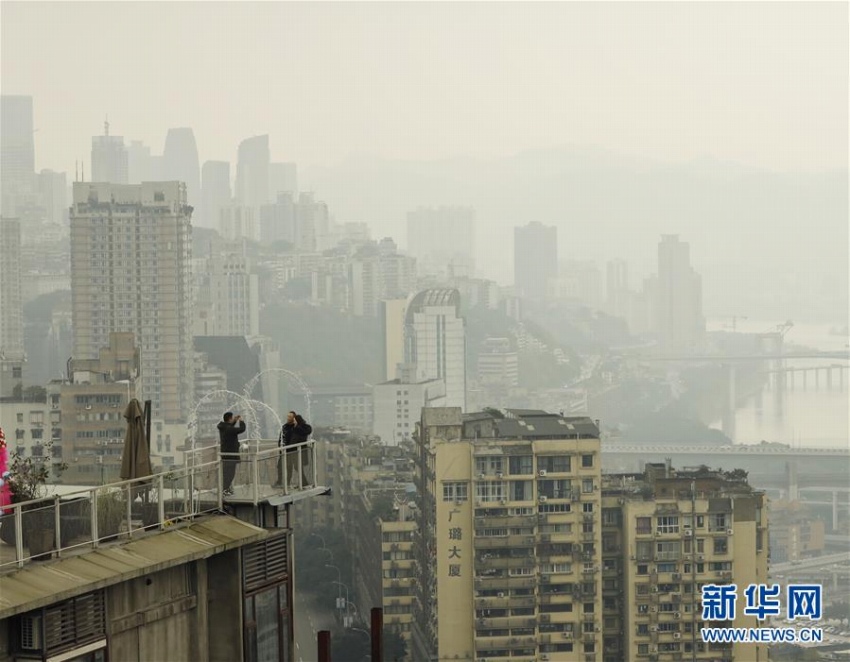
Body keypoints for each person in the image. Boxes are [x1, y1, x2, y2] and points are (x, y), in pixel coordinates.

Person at [278, 411, 312, 488]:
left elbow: (306, 432)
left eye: (291, 417)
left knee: (297, 467)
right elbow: (284, 438)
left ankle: (303, 483)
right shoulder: (289, 427)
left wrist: (297, 426)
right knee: (290, 467)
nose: (288, 419)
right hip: (292, 451)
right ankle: (287, 483)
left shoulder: (303, 427)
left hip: (298, 452)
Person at [218, 411, 246, 496]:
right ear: (229, 418)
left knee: (226, 472)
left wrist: (234, 421)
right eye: (232, 418)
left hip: (225, 454)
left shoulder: (223, 427)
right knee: (230, 473)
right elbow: (241, 429)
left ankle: (225, 489)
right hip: (231, 455)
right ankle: (225, 489)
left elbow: (230, 427)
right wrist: (241, 421)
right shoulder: (229, 429)